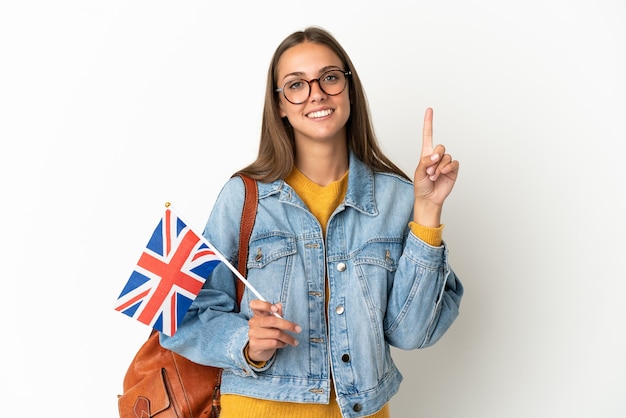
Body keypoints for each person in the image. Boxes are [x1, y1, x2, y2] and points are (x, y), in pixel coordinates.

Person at [160, 26, 463, 418]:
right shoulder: (245, 197)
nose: (316, 92)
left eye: (330, 78)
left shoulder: (399, 197)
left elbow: (411, 333)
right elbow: (180, 314)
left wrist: (427, 210)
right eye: (296, 85)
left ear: (348, 90)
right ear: (280, 105)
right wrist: (245, 343)